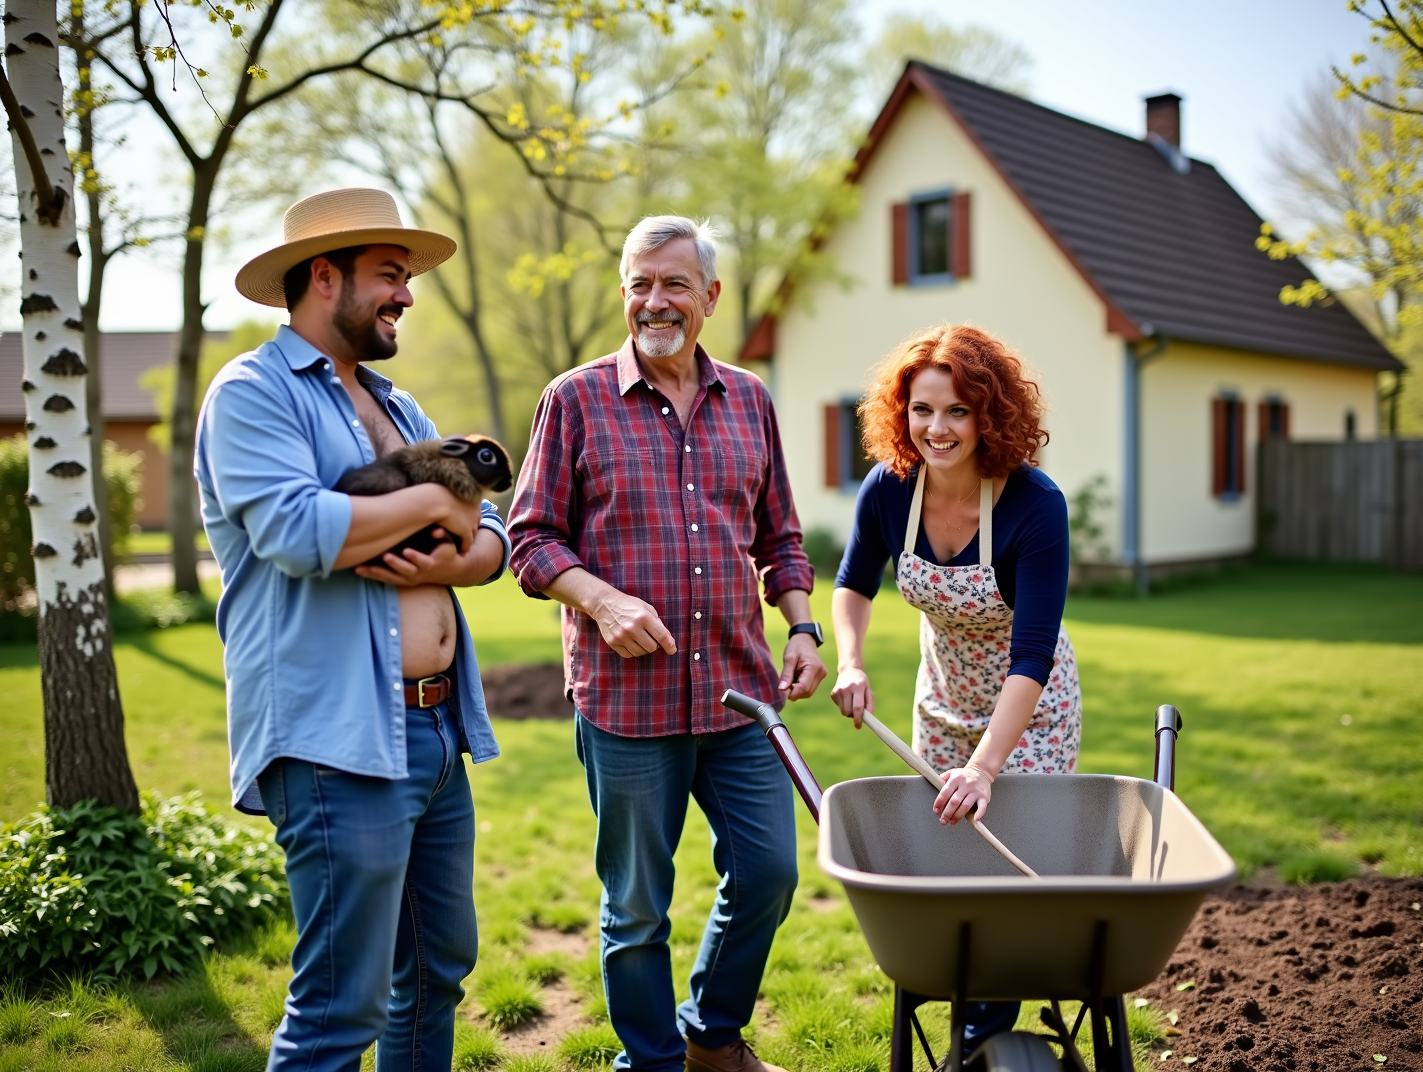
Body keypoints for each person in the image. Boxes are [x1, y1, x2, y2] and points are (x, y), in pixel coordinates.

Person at [195, 188, 511, 1072]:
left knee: (438, 971)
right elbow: (298, 532)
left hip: (439, 726)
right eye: (388, 276)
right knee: (341, 1006)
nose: (406, 296)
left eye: (405, 277)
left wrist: (458, 545)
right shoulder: (253, 394)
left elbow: (495, 537)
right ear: (323, 277)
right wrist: (441, 499)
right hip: (337, 738)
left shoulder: (399, 408)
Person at [507, 216, 827, 1072]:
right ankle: (649, 1063)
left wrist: (801, 624)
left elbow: (781, 538)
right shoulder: (573, 399)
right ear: (624, 293)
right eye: (642, 283)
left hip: (739, 692)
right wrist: (600, 600)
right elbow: (531, 540)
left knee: (769, 874)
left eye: (676, 284)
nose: (657, 301)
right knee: (637, 907)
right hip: (625, 704)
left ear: (710, 297)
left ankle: (711, 1035)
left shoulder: (751, 400)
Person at [828, 324, 1080, 1058]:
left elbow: (1031, 653)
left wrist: (987, 764)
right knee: (946, 857)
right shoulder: (890, 488)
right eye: (922, 410)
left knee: (1007, 859)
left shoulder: (1035, 505)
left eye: (958, 411)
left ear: (989, 414)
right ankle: (960, 984)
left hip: (1030, 710)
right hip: (940, 701)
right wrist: (850, 661)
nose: (937, 429)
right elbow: (850, 583)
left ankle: (989, 1020)